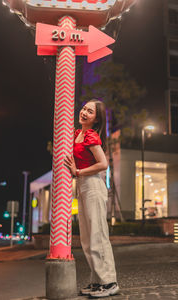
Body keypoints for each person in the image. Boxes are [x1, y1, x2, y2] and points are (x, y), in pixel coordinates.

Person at [64, 99, 119, 298]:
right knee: (87, 239)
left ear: (96, 119)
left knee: (97, 235)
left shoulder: (90, 135)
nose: (84, 112)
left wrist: (77, 172)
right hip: (83, 186)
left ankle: (109, 282)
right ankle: (97, 282)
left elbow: (103, 164)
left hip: (93, 185)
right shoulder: (77, 134)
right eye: (84, 108)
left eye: (90, 111)